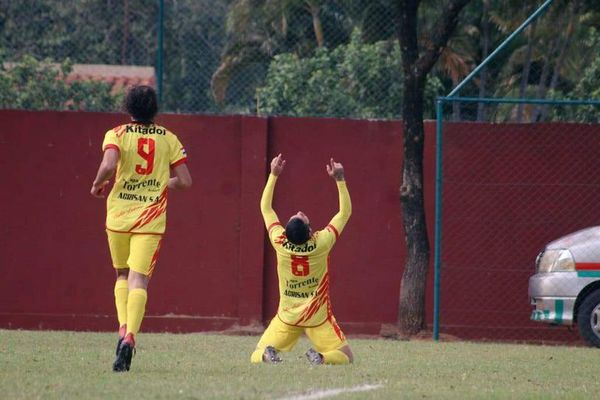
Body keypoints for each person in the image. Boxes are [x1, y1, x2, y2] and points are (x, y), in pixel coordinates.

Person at [90, 85, 192, 372]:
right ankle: (130, 338)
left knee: (121, 274)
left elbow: (109, 165)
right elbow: (185, 181)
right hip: (150, 220)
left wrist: (98, 183)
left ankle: (122, 330)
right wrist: (163, 183)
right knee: (140, 280)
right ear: (155, 109)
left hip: (119, 216)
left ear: (128, 107)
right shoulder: (169, 138)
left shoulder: (116, 134)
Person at [250, 154, 354, 365]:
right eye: (300, 216)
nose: (299, 212)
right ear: (310, 230)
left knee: (256, 354)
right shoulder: (322, 242)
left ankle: (266, 356)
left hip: (287, 317)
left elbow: (266, 208)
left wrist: (273, 175)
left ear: (285, 231)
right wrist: (340, 179)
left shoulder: (279, 241)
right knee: (346, 356)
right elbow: (344, 213)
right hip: (317, 318)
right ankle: (321, 358)